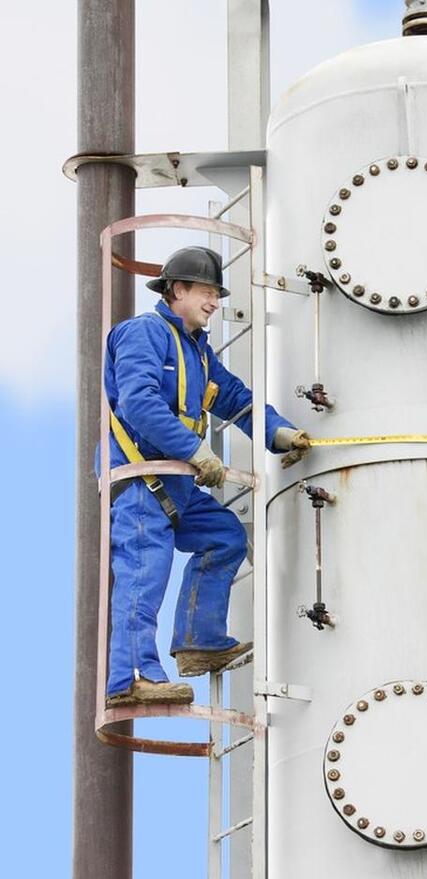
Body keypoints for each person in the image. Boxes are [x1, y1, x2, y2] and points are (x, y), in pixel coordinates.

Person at [103, 246, 311, 708]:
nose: (215, 301)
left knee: (225, 536)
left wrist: (278, 432)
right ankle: (132, 676)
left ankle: (198, 640)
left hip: (175, 478)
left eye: (217, 293)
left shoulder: (197, 352)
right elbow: (139, 403)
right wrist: (196, 450)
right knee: (143, 573)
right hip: (143, 478)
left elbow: (235, 398)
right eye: (207, 291)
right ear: (177, 290)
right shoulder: (144, 334)